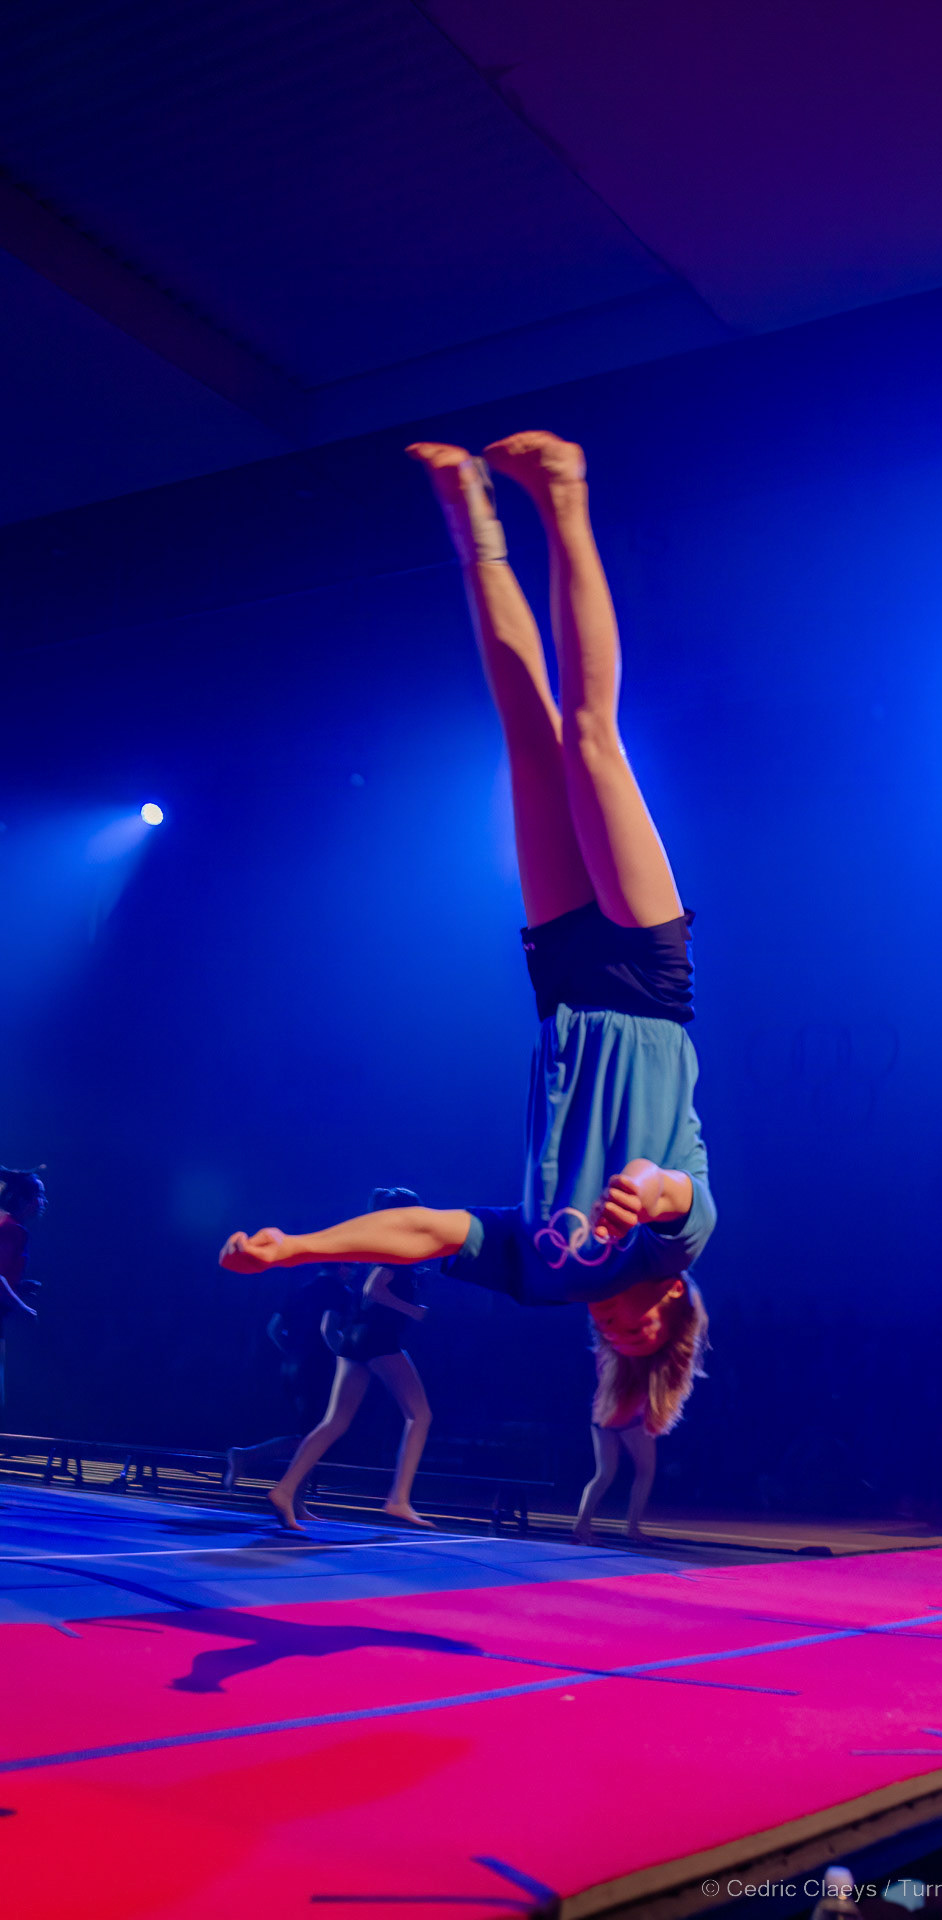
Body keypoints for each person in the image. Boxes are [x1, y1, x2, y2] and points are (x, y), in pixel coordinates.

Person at [220, 432, 714, 1367]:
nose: (616, 1326)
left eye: (612, 1341)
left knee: (526, 741)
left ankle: (470, 512)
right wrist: (642, 1189)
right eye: (643, 1331)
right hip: (648, 986)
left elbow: (431, 1230)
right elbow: (676, 1190)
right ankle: (563, 491)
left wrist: (302, 1247)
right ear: (674, 1306)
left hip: (563, 992)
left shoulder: (542, 1274)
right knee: (590, 738)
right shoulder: (672, 1250)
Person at [260, 1188, 434, 1531]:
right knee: (420, 1415)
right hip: (379, 1339)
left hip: (356, 1339)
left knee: (335, 1421)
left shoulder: (379, 1243)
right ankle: (399, 1498)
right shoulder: (398, 1246)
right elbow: (373, 1290)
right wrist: (413, 1310)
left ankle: (285, 1489)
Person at [574, 1275, 707, 1544]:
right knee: (645, 1471)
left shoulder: (608, 1342)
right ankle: (631, 1527)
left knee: (604, 1474)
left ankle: (581, 1526)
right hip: (626, 1415)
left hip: (602, 1415)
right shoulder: (636, 1344)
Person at [223, 1263, 353, 1488]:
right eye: (353, 1267)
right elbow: (329, 1330)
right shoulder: (340, 1292)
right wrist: (347, 1360)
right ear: (343, 1268)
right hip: (318, 1368)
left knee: (311, 1434)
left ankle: (297, 1494)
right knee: (314, 1437)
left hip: (292, 1367)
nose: (354, 1272)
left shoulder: (301, 1290)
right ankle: (247, 1457)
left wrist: (294, 1352)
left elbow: (274, 1328)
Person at [0, 1168, 46, 1419]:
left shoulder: (6, 1224)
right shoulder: (12, 1230)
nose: (44, 1202)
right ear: (23, 1199)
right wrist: (22, 1308)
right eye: (39, 1195)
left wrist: (17, 1286)